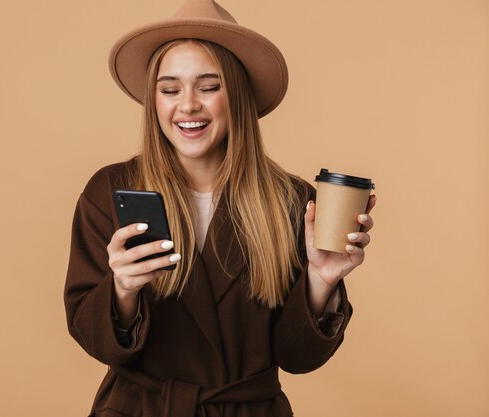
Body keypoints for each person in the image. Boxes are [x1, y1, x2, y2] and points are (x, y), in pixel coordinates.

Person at [64, 0, 376, 416]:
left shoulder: (292, 202)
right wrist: (122, 289)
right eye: (170, 89)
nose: (188, 105)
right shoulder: (111, 190)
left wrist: (321, 282)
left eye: (209, 87)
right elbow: (95, 340)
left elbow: (299, 359)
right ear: (153, 101)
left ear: (238, 96)